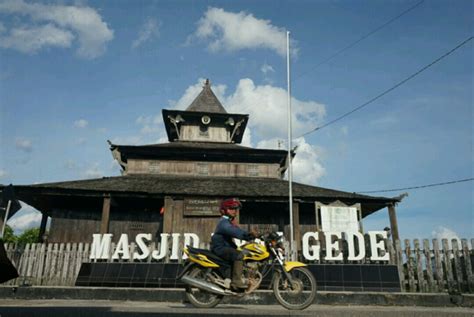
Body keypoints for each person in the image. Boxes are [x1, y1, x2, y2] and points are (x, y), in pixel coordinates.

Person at [210, 198, 255, 289]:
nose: (234, 211)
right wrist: (248, 235)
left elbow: (237, 230)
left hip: (224, 247)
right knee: (238, 255)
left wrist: (252, 235)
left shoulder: (229, 221)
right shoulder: (224, 222)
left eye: (235, 209)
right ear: (224, 210)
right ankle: (236, 282)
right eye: (231, 208)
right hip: (220, 248)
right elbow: (234, 231)